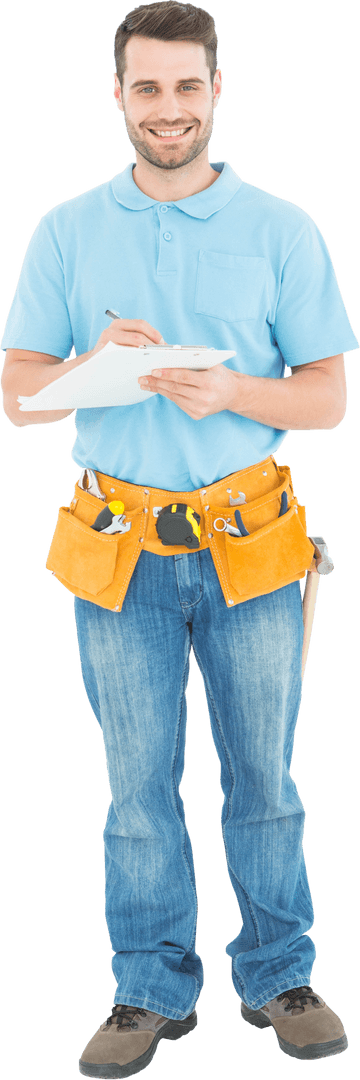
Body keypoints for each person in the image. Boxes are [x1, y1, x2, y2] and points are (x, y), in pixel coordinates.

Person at [1, 2, 358, 1074]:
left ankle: (281, 973)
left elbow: (327, 398)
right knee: (136, 789)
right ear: (118, 96)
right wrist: (86, 363)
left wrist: (235, 391)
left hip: (254, 545)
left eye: (186, 86)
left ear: (217, 91)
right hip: (116, 552)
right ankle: (146, 989)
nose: (168, 108)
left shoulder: (283, 228)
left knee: (264, 778)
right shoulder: (66, 230)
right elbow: (20, 397)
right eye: (146, 87)